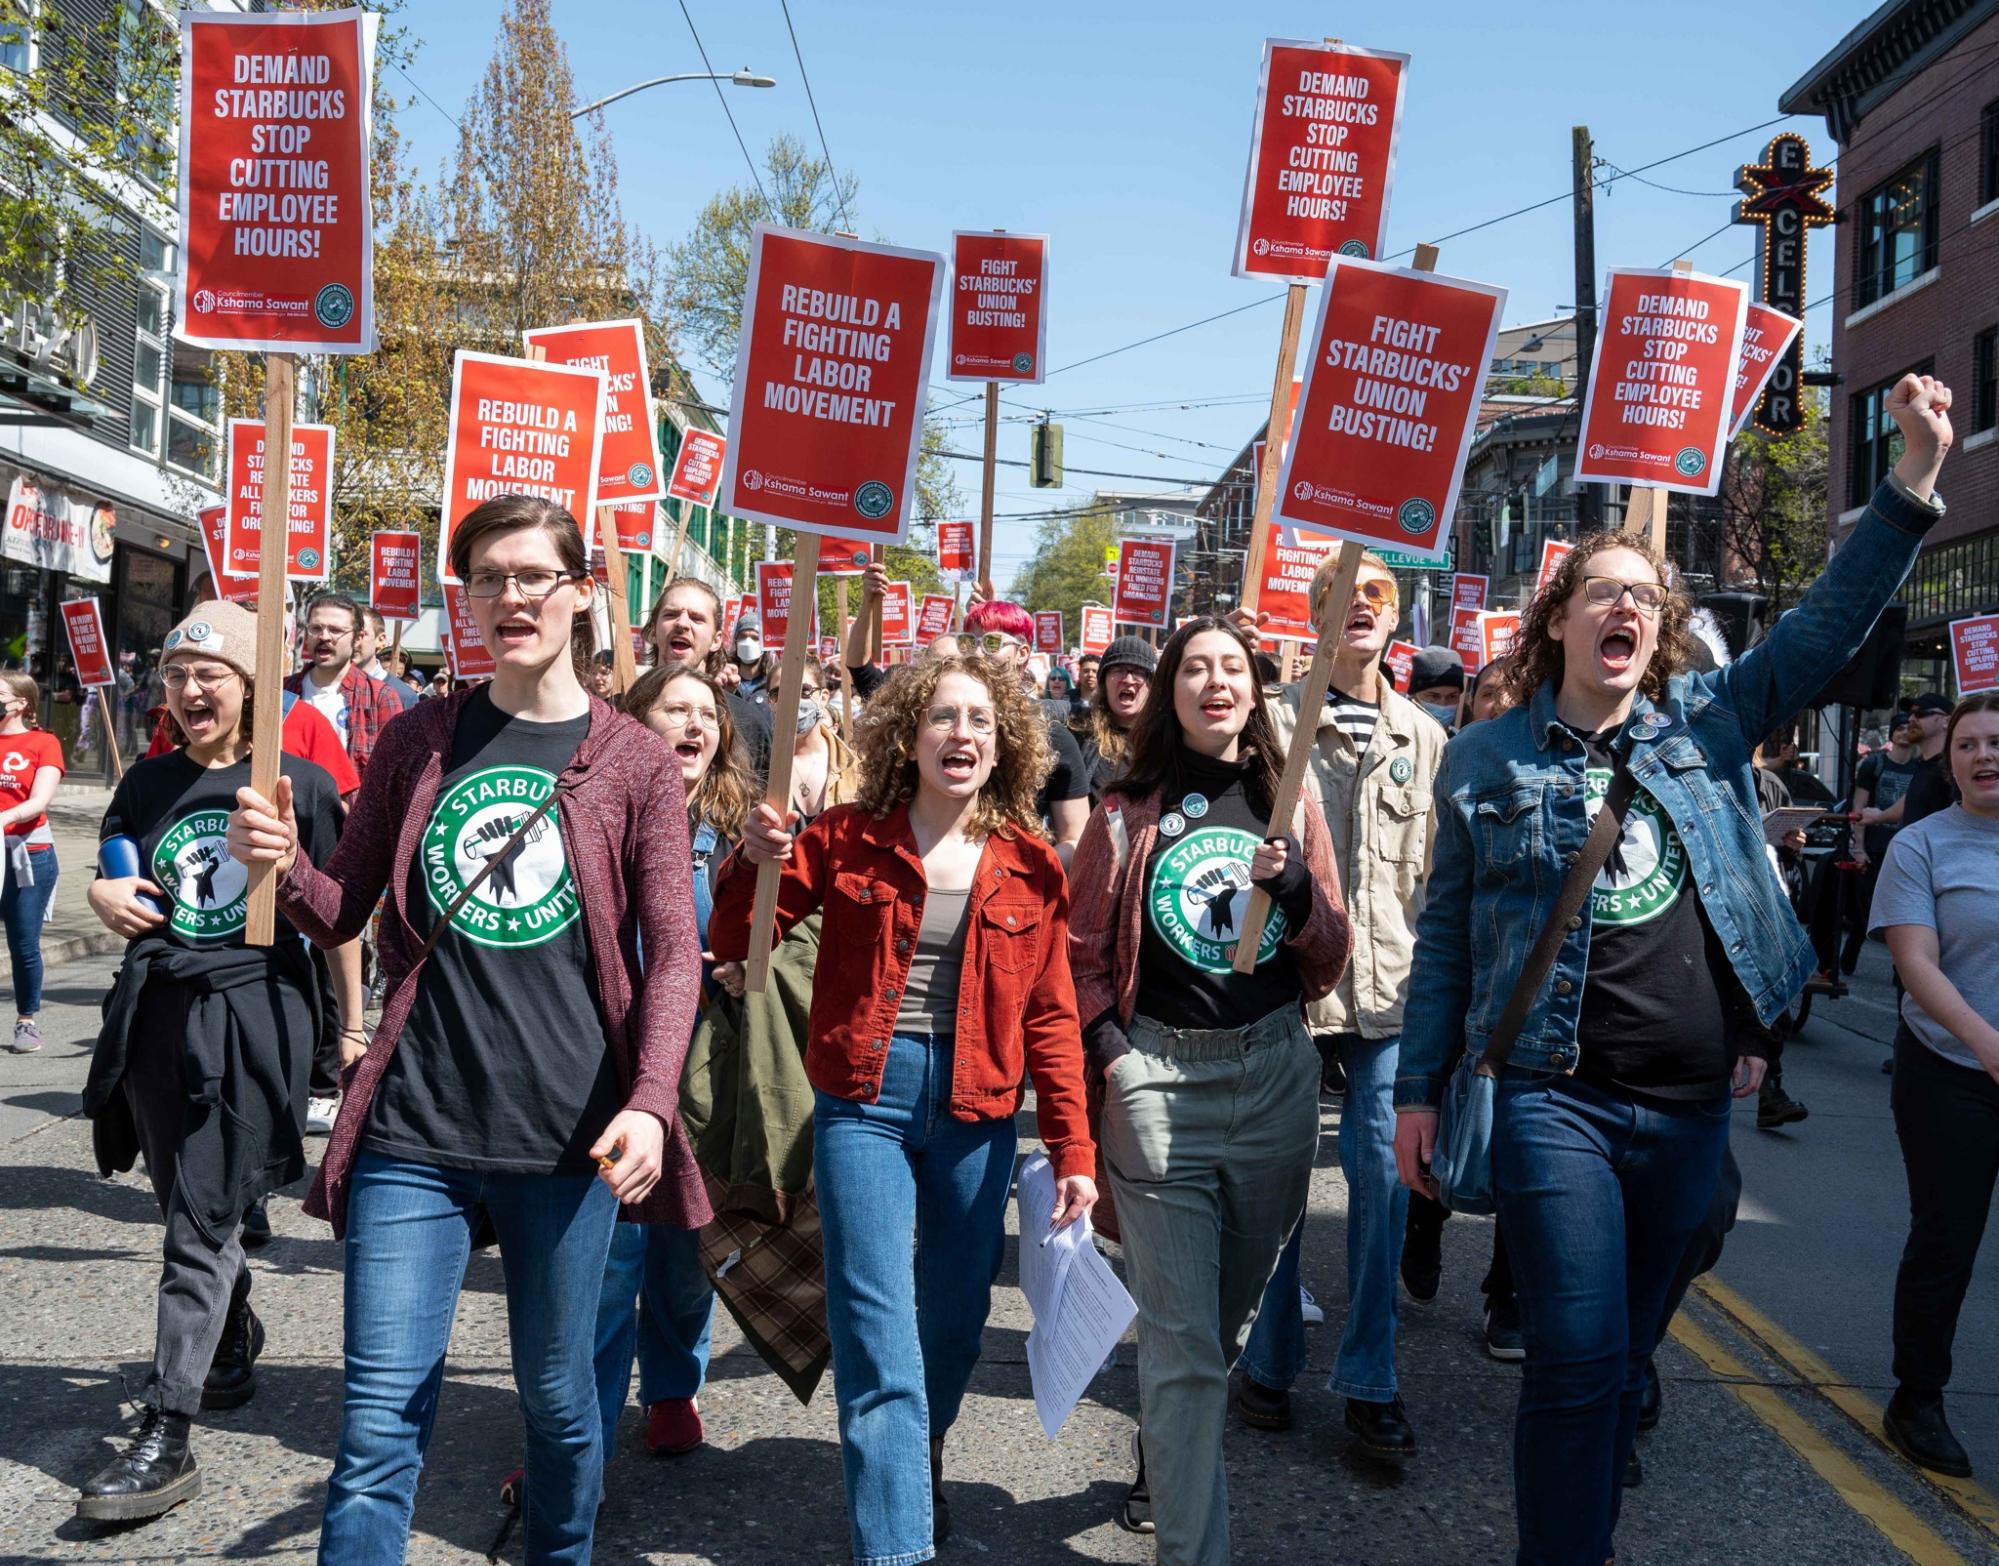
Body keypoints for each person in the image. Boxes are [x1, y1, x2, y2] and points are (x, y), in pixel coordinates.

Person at [1393, 372, 1955, 1566]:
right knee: (1576, 1356)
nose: (1627, 611)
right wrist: (1414, 1092)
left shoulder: (1702, 724)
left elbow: (1826, 626)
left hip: (1691, 1108)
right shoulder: (1486, 759)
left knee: (1626, 1359)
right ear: (1559, 620)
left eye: (1645, 599)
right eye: (1603, 593)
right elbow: (1447, 936)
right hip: (1555, 1096)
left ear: (1658, 629)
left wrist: (1910, 477)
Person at [227, 493, 708, 1563]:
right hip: (413, 1126)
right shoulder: (419, 739)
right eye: (487, 578)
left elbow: (673, 950)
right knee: (379, 1418)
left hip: (567, 1135)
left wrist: (651, 1101)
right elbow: (342, 908)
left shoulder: (631, 759)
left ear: (583, 594)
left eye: (534, 575)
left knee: (558, 1404)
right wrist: (280, 866)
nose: (509, 597)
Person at [709, 653, 1096, 1564]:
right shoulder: (840, 837)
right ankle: (894, 1546)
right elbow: (738, 942)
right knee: (874, 1323)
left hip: (979, 1110)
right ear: (907, 735)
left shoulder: (1034, 866)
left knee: (954, 1318)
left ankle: (917, 1451)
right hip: (864, 1104)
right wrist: (749, 861)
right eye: (942, 718)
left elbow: (1052, 1016)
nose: (960, 735)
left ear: (1004, 747)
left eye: (979, 722)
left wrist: (1072, 1147)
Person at [1068, 616, 1350, 1562]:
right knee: (1184, 1349)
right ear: (1167, 690)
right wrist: (1115, 1055)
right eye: (1195, 667)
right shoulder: (1122, 811)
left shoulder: (1290, 799)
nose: (1214, 682)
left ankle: (1170, 1439)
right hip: (1158, 1085)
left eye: (1232, 667)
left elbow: (1330, 958)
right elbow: (1078, 957)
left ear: (1256, 691)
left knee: (1217, 1331)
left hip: (1273, 1082)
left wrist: (1301, 889)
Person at [76, 602, 345, 1522]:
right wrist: (104, 892)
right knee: (184, 1206)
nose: (192, 690)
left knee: (198, 1225)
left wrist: (344, 1034)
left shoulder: (298, 786)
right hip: (155, 1015)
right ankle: (228, 1331)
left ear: (250, 687)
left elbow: (341, 916)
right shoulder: (145, 784)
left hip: (250, 1015)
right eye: (179, 675)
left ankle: (165, 1429)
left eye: (212, 675)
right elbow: (114, 868)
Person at [1230, 551, 1446, 1457]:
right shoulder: (1269, 726)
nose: (1355, 609)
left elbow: (1435, 882)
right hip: (1283, 987)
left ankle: (1369, 1376)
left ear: (1395, 620)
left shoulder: (1426, 738)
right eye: (1336, 596)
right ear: (1309, 613)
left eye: (1373, 597)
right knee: (1278, 1181)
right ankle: (1269, 1363)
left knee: (1381, 1178)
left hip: (1388, 993)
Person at [590, 662, 756, 1462]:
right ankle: (577, 1417)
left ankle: (670, 1386)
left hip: (703, 1059)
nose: (693, 725)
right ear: (636, 721)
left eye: (706, 714)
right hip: (605, 1053)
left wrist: (744, 962)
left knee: (685, 1245)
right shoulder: (598, 811)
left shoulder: (740, 833)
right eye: (673, 709)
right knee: (605, 1248)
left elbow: (784, 936)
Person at [1869, 692, 1999, 1480]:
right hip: (1948, 1072)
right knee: (1946, 1239)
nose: (1985, 755)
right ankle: (1915, 1397)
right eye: (1968, 746)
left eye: (1996, 742)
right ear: (1948, 766)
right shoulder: (1920, 845)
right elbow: (1914, 965)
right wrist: (1987, 1044)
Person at [1400, 651, 1523, 1355]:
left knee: (1523, 1152)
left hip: (1522, 998)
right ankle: (1423, 1226)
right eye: (1489, 698)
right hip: (1459, 986)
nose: (1499, 709)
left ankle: (1505, 1294)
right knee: (1448, 1130)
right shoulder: (1457, 766)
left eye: (1516, 698)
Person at [642, 577, 774, 778]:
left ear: (716, 640)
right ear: (652, 631)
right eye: (671, 614)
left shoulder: (747, 724)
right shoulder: (620, 712)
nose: (683, 623)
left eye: (696, 618)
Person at [0, 673, 64, 1052]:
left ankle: (27, 1021)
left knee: (24, 943)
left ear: (22, 702)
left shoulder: (44, 743)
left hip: (27, 856)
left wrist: (5, 819)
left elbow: (40, 800)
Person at [1845, 710, 1920, 973]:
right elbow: (1859, 807)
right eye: (1898, 728)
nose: (1903, 732)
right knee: (1868, 911)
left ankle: (1900, 971)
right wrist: (1859, 848)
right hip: (1875, 849)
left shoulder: (1921, 768)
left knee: (1903, 913)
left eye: (1906, 728)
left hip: (1906, 850)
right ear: (1891, 735)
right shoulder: (1874, 765)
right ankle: (1848, 960)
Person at [1076, 636, 1155, 802]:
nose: (1128, 679)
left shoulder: (1168, 739)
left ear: (1151, 685)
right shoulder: (1079, 729)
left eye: (1139, 672)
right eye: (1118, 670)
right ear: (1104, 682)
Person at [1863, 691, 1954, 834]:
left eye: (1921, 713)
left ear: (1946, 722)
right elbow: (1911, 799)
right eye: (1911, 713)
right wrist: (1880, 816)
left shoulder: (1952, 768)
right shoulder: (1924, 764)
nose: (1911, 719)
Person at [355, 609, 417, 714]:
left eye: (361, 635)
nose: (352, 641)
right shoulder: (328, 687)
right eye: (346, 633)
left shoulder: (404, 695)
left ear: (380, 640)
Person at [1405, 645, 1466, 733]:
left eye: (1452, 696)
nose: (1442, 704)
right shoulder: (1395, 740)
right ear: (1414, 696)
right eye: (1434, 696)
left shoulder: (1463, 744)